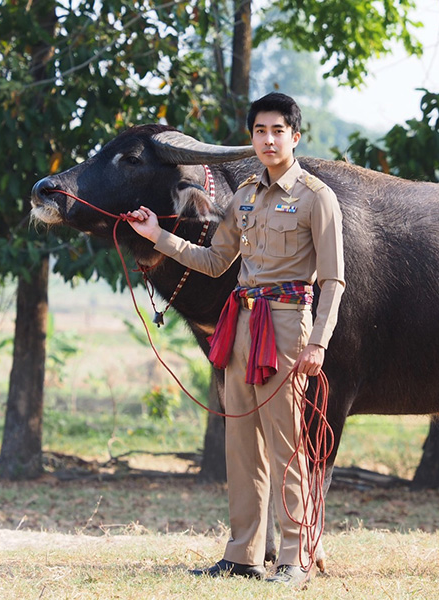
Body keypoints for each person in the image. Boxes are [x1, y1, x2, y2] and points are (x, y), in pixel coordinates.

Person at [127, 92, 345, 587]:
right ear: (252, 138)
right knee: (241, 443)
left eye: (278, 131)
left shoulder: (316, 196)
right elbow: (213, 262)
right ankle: (243, 554)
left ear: (295, 136)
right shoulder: (245, 195)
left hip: (290, 326)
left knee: (288, 443)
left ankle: (295, 558)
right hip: (242, 323)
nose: (268, 140)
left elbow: (333, 280)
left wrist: (319, 345)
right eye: (260, 131)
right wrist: (158, 235)